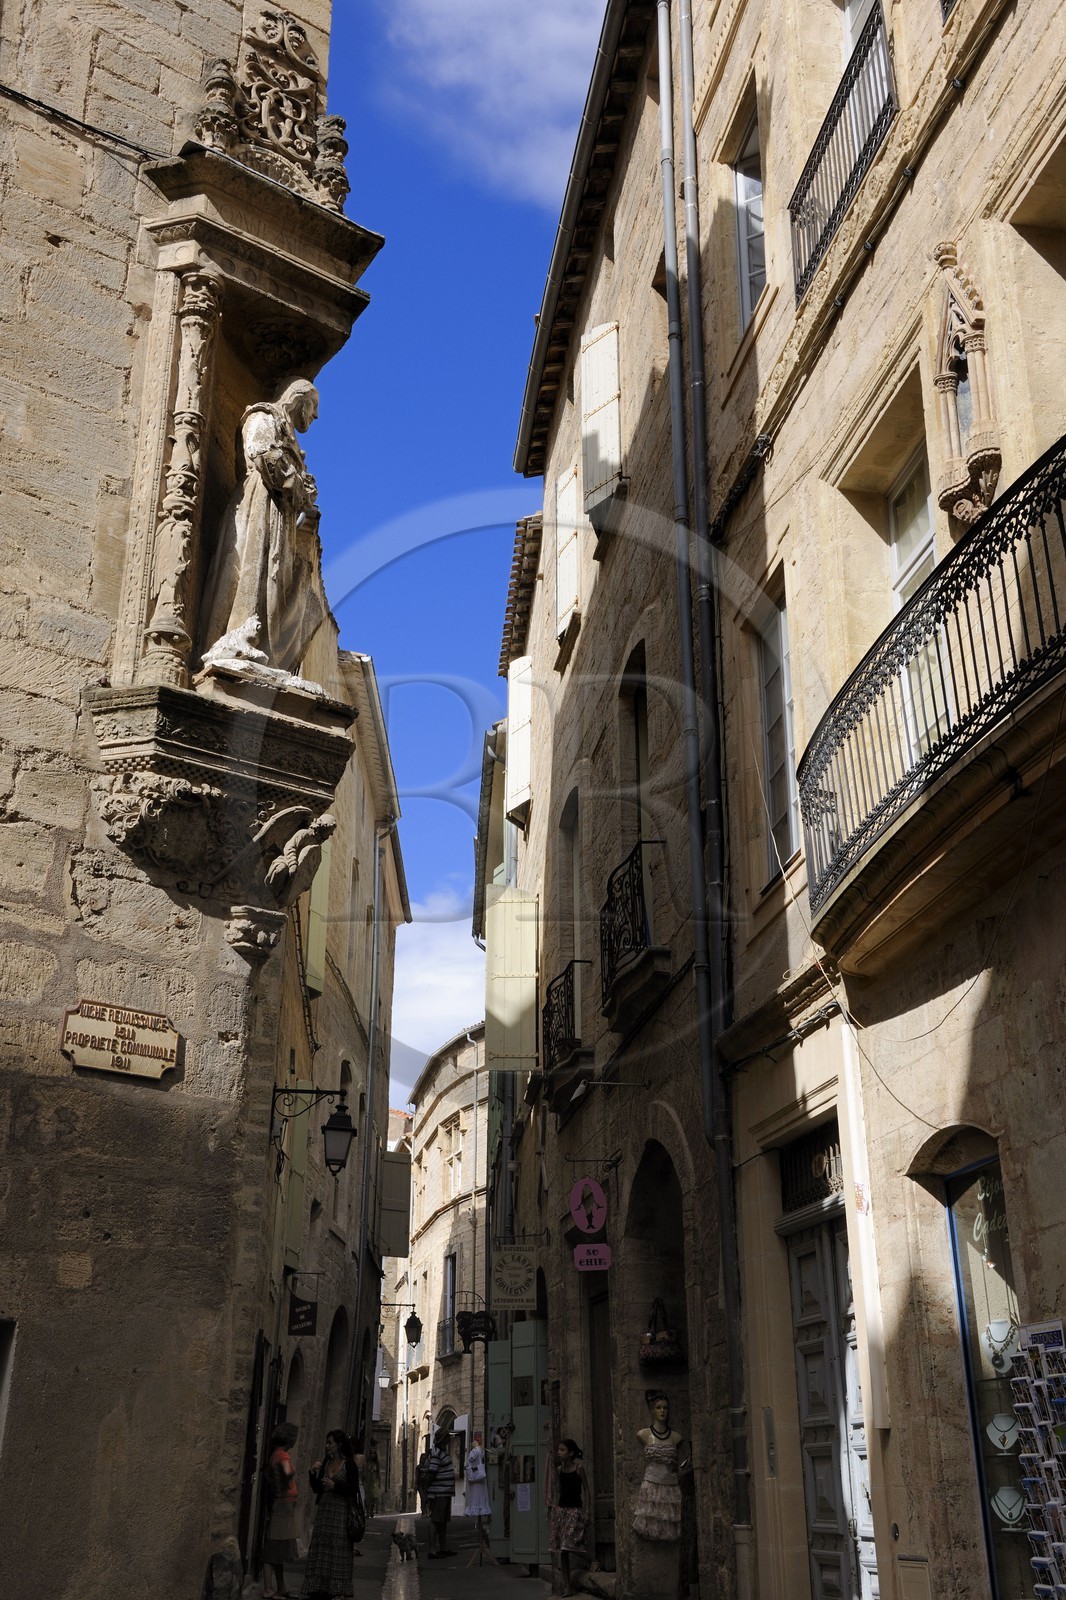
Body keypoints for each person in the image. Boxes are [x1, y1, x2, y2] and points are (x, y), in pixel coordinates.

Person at [200, 377, 326, 676]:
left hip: (279, 510)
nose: (316, 415)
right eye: (314, 406)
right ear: (299, 399)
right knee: (254, 565)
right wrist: (298, 483)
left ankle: (268, 648)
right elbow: (262, 454)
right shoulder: (263, 415)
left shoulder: (285, 429)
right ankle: (238, 636)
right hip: (261, 501)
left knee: (282, 579)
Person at [300, 1429, 361, 1600]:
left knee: (339, 1548)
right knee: (323, 1547)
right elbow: (318, 1488)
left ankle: (339, 1589)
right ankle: (320, 1585)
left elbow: (354, 1488)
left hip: (341, 1510)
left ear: (339, 1444)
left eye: (330, 1443)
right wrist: (312, 1474)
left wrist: (336, 1486)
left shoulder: (349, 1464)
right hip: (325, 1511)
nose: (327, 1446)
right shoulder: (327, 1461)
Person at [632, 1391, 683, 1542]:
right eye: (658, 1407)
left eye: (665, 1408)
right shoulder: (644, 1434)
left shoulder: (676, 1437)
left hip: (670, 1486)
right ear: (652, 1410)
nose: (662, 1411)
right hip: (652, 1484)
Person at [262, 1422, 299, 1599]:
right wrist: (290, 1473)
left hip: (282, 1503)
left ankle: (280, 1586)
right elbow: (287, 1472)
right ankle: (269, 1588)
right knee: (273, 1548)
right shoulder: (282, 1455)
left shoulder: (275, 1455)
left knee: (278, 1548)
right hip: (283, 1505)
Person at [549, 1438, 589, 1597]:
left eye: (562, 1450)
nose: (559, 1453)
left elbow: (586, 1490)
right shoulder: (559, 1471)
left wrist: (587, 1511)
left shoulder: (579, 1469)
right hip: (562, 1511)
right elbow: (558, 1491)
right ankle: (567, 1586)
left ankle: (591, 1559)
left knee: (568, 1544)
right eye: (559, 1450)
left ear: (571, 1453)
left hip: (574, 1510)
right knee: (562, 1550)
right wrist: (555, 1509)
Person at [424, 1426, 457, 1558]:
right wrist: (427, 1490)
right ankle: (432, 1549)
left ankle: (443, 1547)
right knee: (436, 1520)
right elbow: (432, 1472)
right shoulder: (437, 1453)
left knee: (442, 1521)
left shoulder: (441, 1452)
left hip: (444, 1492)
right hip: (439, 1493)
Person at [464, 1431, 491, 1523]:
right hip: (480, 1478)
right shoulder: (479, 1451)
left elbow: (469, 1463)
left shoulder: (473, 1452)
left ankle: (476, 1511)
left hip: (473, 1479)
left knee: (474, 1498)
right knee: (481, 1498)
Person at [364, 1445, 381, 1518]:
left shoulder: (376, 1464)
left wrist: (379, 1482)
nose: (372, 1455)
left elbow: (378, 1473)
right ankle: (367, 1511)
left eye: (374, 1453)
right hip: (367, 1481)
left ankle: (371, 1510)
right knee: (367, 1497)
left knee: (374, 1497)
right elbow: (364, 1472)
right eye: (371, 1453)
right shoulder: (366, 1463)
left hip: (374, 1482)